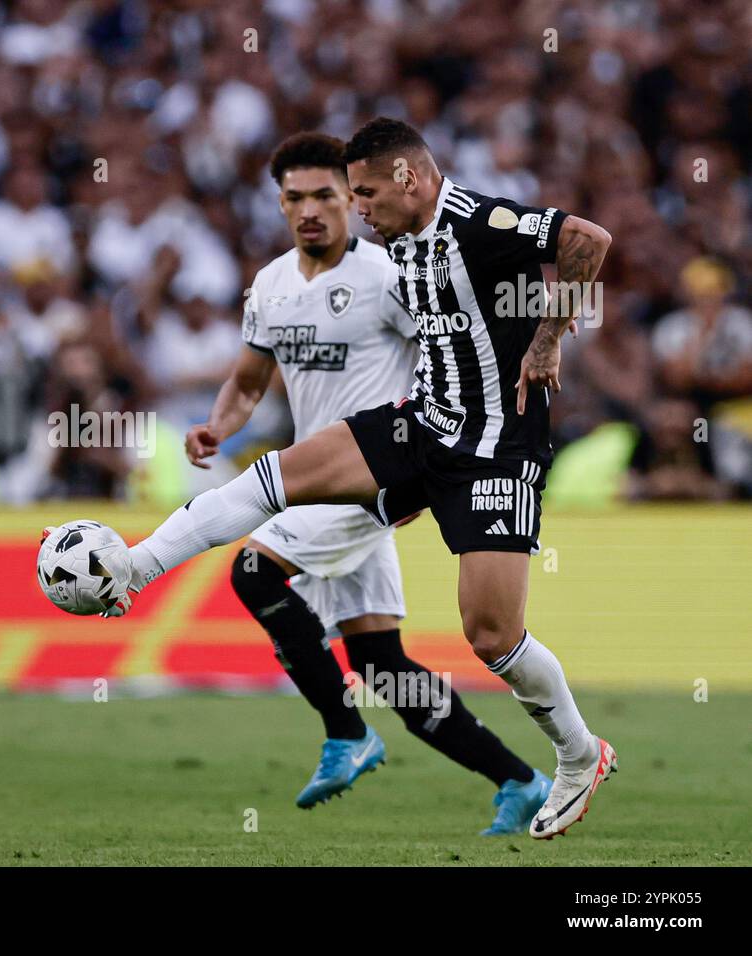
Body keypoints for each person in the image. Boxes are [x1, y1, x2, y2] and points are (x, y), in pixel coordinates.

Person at [96, 118, 616, 840]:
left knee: (491, 636)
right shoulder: (376, 246)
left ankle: (577, 754)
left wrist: (548, 337)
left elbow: (588, 241)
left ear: (409, 178)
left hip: (496, 448)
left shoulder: (482, 222)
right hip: (421, 425)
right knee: (276, 480)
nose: (358, 209)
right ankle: (135, 566)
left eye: (363, 193)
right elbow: (258, 377)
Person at [183, 131, 549, 833]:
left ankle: (347, 735)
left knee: (255, 571)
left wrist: (432, 469)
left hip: (377, 476)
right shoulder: (270, 285)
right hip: (319, 479)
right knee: (384, 666)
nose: (310, 210)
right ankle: (520, 779)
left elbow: (457, 349)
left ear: (352, 199)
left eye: (327, 194)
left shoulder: (390, 274)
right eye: (295, 198)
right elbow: (249, 379)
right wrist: (218, 425)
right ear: (281, 203)